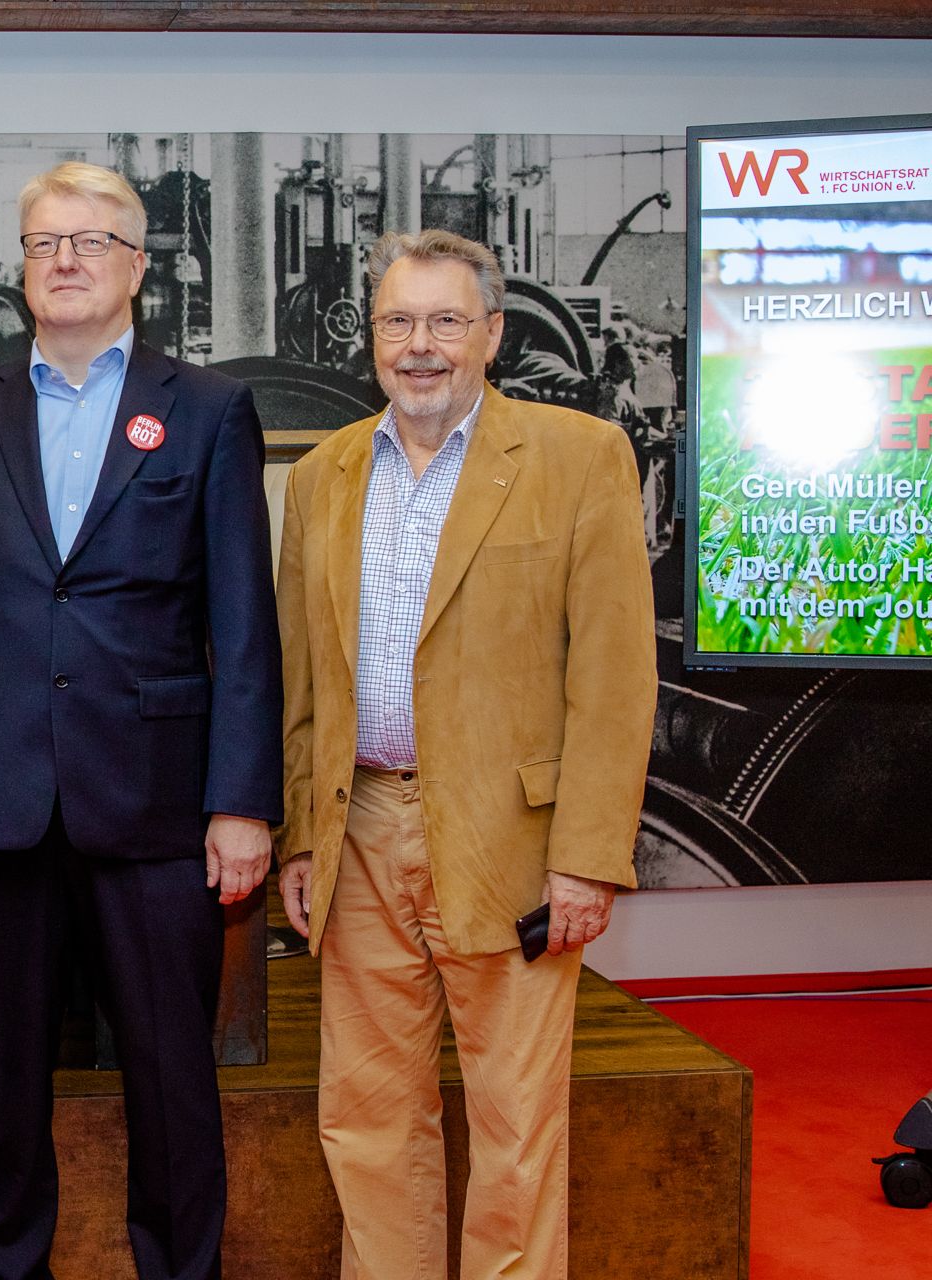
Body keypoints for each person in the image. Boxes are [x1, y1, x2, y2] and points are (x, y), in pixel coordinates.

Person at [0, 161, 282, 1280]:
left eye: (91, 241)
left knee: (172, 1081)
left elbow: (243, 623)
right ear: (22, 265)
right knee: (3, 1083)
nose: (65, 260)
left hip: (156, 805)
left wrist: (243, 801)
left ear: (137, 267)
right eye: (44, 243)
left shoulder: (207, 408)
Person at [276, 228, 656, 1279]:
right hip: (359, 831)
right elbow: (304, 681)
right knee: (365, 1118)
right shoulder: (321, 476)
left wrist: (587, 854)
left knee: (516, 1126)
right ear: (370, 338)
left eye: (446, 320)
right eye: (398, 321)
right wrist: (302, 836)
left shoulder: (580, 456)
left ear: (492, 333)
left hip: (513, 842)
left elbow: (616, 676)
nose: (420, 345)